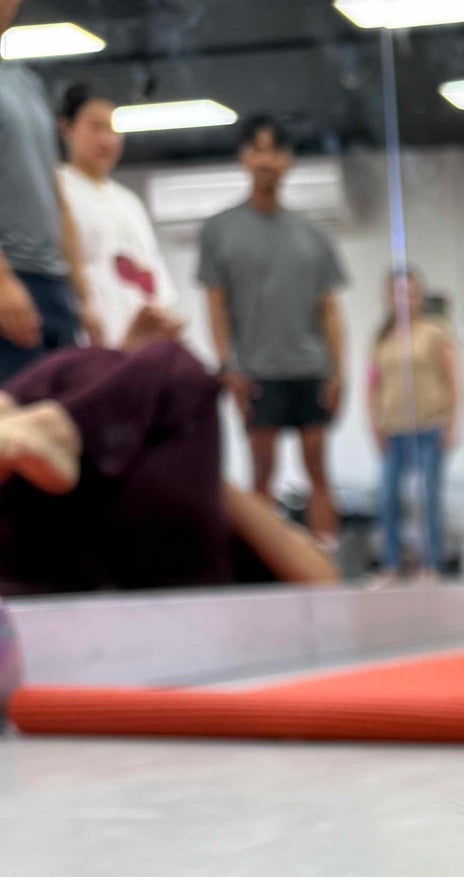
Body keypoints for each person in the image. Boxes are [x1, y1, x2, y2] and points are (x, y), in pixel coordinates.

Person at [0, 314, 338, 595]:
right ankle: (59, 417)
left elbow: (321, 577)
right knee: (167, 359)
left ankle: (45, 417)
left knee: (146, 360)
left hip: (51, 547)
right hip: (73, 546)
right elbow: (323, 578)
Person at [198, 114, 348, 545]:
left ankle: (326, 563)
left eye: (275, 151)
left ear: (288, 161)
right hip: (256, 372)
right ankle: (262, 567)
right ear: (244, 157)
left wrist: (338, 372)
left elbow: (331, 311)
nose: (266, 160)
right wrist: (228, 366)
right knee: (261, 470)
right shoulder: (220, 230)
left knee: (319, 468)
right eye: (257, 149)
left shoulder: (314, 235)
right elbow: (215, 305)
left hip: (310, 368)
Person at [56, 79, 180, 350]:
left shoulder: (129, 201)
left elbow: (151, 269)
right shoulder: (58, 188)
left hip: (143, 337)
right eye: (95, 127)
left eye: (113, 129)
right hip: (92, 335)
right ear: (66, 128)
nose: (106, 140)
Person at [0, 0, 86, 384]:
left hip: (52, 283)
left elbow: (55, 192)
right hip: (11, 277)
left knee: (61, 428)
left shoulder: (27, 82)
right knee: (16, 431)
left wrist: (80, 293)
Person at [367, 267, 460, 581]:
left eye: (411, 292)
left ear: (419, 296)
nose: (405, 299)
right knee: (388, 498)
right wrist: (374, 425)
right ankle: (390, 564)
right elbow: (372, 386)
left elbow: (453, 379)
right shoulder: (383, 339)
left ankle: (430, 565)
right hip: (394, 429)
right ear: (388, 297)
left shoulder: (434, 333)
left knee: (429, 497)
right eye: (398, 292)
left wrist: (452, 421)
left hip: (430, 425)